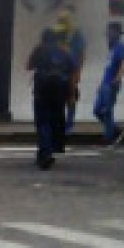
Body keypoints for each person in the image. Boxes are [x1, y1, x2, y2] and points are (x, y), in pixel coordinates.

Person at [26, 28, 76, 170]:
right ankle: (47, 151)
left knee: (42, 123)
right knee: (55, 122)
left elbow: (28, 66)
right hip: (59, 92)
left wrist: (36, 51)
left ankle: (45, 153)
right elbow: (72, 74)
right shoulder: (65, 51)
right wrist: (71, 95)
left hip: (41, 92)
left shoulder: (40, 50)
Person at [92, 22, 124, 146]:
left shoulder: (120, 46)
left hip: (112, 84)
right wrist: (101, 84)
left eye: (109, 31)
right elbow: (108, 68)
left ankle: (108, 138)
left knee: (108, 111)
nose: (107, 34)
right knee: (97, 110)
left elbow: (123, 63)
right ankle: (116, 130)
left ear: (116, 33)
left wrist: (118, 78)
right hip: (105, 84)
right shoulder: (111, 47)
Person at [52, 8, 86, 135]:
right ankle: (60, 124)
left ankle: (69, 124)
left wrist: (78, 72)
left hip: (71, 69)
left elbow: (82, 54)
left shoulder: (76, 33)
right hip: (58, 70)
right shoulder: (56, 32)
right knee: (59, 97)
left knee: (71, 96)